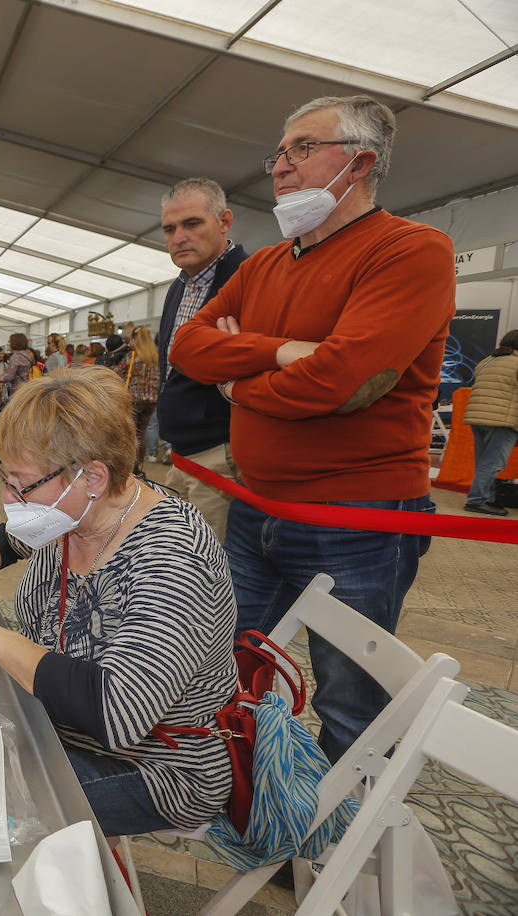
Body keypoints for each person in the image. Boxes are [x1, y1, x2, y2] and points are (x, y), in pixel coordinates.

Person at [170, 95, 454, 763]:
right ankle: (249, 804)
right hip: (257, 507)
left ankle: (340, 846)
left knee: (350, 697)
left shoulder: (410, 250)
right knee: (226, 666)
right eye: (279, 152)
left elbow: (345, 380)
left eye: (303, 149)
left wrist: (235, 382)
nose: (281, 166)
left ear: (359, 162)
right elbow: (188, 345)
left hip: (359, 518)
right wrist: (279, 351)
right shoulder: (267, 263)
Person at [0, 367, 236, 836]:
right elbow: (16, 536)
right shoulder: (79, 512)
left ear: (92, 475)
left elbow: (115, 711)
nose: (8, 497)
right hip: (51, 723)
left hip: (156, 767)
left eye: (22, 484)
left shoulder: (171, 558)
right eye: (5, 475)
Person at [155, 178, 251, 539]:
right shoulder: (179, 286)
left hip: (220, 453)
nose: (179, 236)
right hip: (181, 453)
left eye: (192, 224)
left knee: (212, 568)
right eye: (170, 229)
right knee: (178, 558)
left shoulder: (251, 278)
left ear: (224, 221)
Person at [463, 330, 518, 515]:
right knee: (493, 463)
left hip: (477, 418)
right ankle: (476, 500)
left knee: (484, 461)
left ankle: (488, 498)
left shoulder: (485, 362)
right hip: (501, 420)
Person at [117, 327, 161, 474]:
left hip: (134, 399)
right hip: (151, 400)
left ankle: (131, 466)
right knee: (141, 432)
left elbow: (117, 372)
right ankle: (139, 465)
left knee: (131, 434)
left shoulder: (132, 356)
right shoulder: (155, 357)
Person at [0, 333, 34, 402]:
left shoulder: (15, 356)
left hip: (18, 389)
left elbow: (9, 377)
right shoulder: (27, 355)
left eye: (10, 342)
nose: (9, 344)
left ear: (14, 343)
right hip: (27, 387)